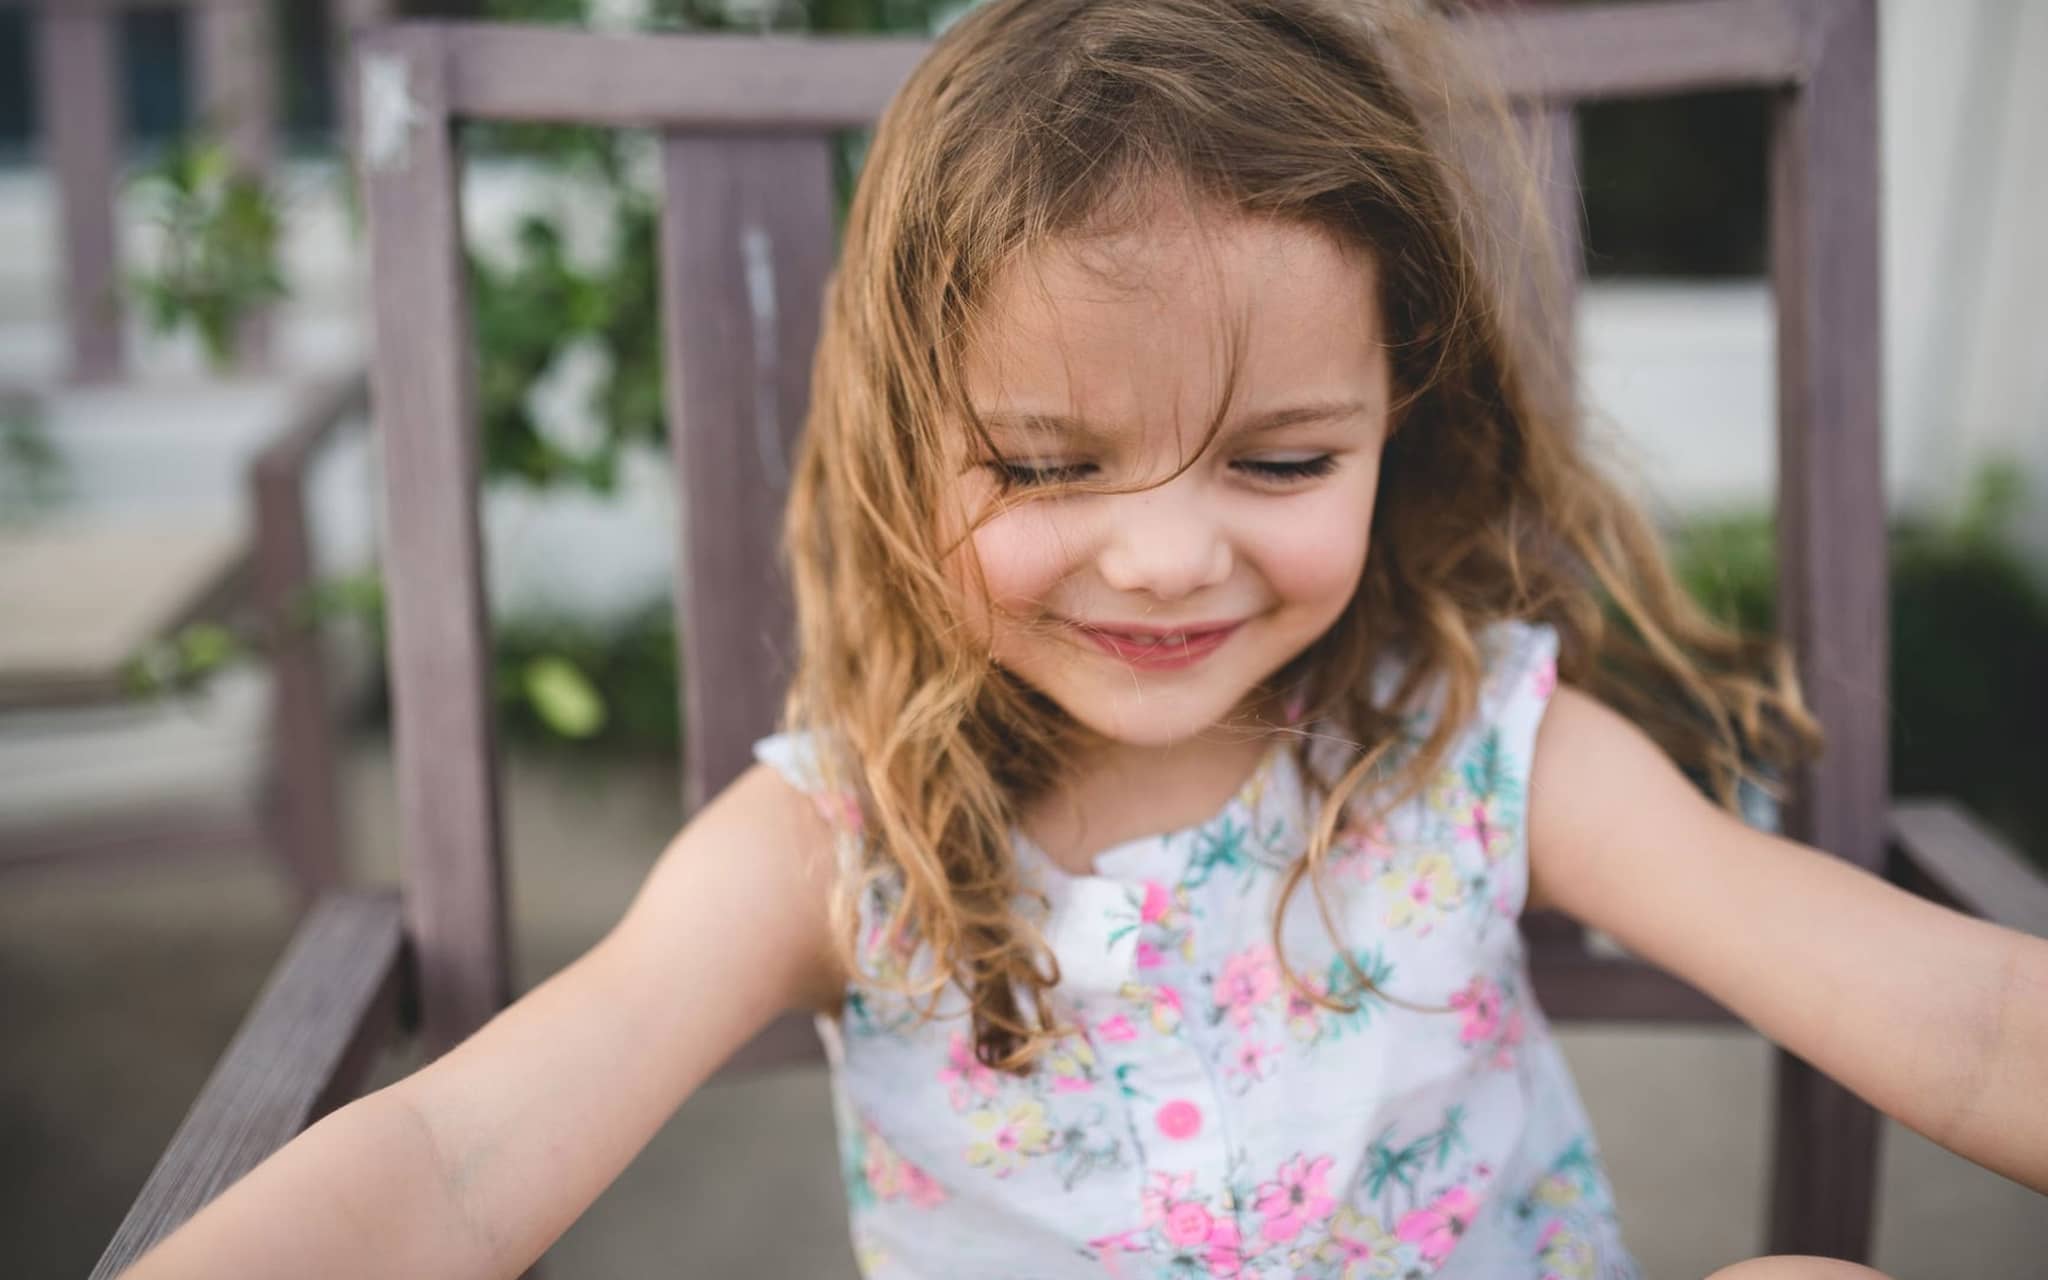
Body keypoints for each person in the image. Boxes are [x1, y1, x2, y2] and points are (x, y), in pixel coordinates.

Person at [124, 0, 2045, 1276]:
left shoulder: (1473, 750)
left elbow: (1958, 1017)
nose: (1164, 557)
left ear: (1400, 426)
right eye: (1047, 466)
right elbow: (457, 1165)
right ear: (910, 450)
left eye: (1283, 457)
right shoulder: (837, 848)